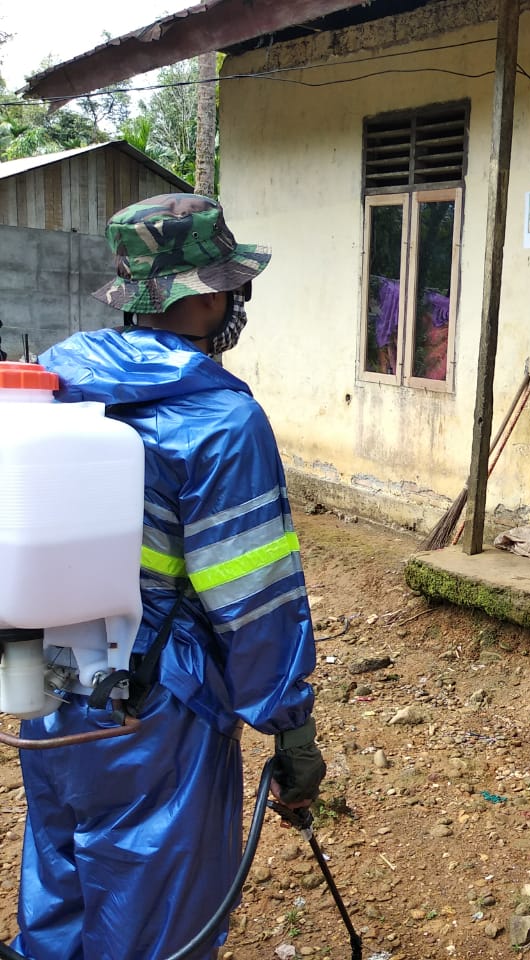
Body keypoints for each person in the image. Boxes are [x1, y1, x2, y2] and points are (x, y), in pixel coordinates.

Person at [21, 194, 326, 959]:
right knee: (157, 918)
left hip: (47, 677)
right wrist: (291, 728)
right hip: (156, 710)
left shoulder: (51, 387)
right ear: (213, 295)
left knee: (63, 888)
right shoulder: (221, 422)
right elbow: (254, 602)